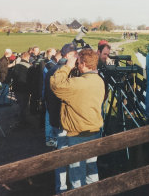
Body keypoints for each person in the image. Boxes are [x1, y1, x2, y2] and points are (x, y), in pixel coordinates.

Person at [51, 48, 105, 191]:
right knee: (91, 169)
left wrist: (68, 66)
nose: (77, 64)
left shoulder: (78, 84)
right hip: (94, 132)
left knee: (77, 175)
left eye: (79, 62)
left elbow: (56, 85)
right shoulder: (99, 81)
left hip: (77, 135)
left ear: (83, 63)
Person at [45, 43, 77, 193]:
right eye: (75, 54)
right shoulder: (66, 72)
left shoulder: (51, 70)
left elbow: (47, 97)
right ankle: (66, 189)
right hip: (65, 121)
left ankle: (62, 189)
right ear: (69, 56)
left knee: (62, 154)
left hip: (56, 119)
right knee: (67, 155)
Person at [11, 52, 32, 127]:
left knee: (20, 104)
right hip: (25, 88)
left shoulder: (16, 66)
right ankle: (22, 121)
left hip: (16, 88)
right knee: (24, 105)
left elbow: (12, 76)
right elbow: (30, 79)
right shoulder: (29, 66)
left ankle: (20, 118)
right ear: (28, 57)